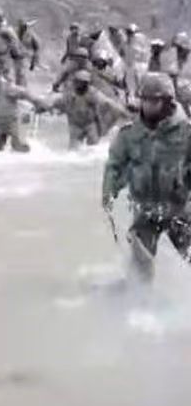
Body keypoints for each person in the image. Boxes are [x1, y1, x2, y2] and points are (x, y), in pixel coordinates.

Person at [103, 72, 191, 284]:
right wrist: (108, 192)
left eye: (153, 101)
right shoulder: (130, 133)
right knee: (139, 274)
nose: (147, 106)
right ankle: (139, 302)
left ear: (167, 101)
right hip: (145, 213)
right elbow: (115, 165)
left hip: (179, 211)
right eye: (144, 100)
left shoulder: (186, 133)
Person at [41, 69, 129, 149]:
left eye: (85, 83)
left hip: (90, 124)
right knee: (73, 150)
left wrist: (124, 113)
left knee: (93, 147)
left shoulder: (92, 93)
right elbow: (57, 102)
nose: (82, 85)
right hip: (75, 125)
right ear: (76, 82)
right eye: (80, 82)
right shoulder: (69, 93)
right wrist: (44, 107)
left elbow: (108, 103)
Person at [0, 63, 46, 152]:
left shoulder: (7, 87)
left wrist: (37, 103)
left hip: (14, 122)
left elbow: (24, 93)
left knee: (19, 146)